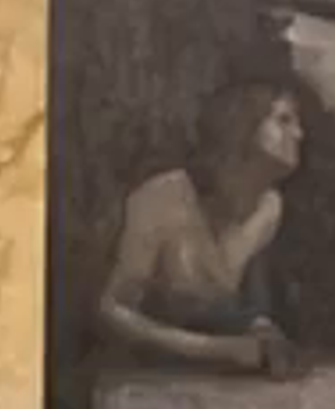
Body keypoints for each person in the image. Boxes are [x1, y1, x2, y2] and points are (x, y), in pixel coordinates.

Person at [95, 78, 307, 379]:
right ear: (242, 124)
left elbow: (234, 305)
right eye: (284, 120)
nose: (299, 134)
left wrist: (261, 329)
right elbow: (113, 310)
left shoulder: (270, 208)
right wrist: (216, 349)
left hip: (213, 384)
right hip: (143, 379)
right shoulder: (163, 198)